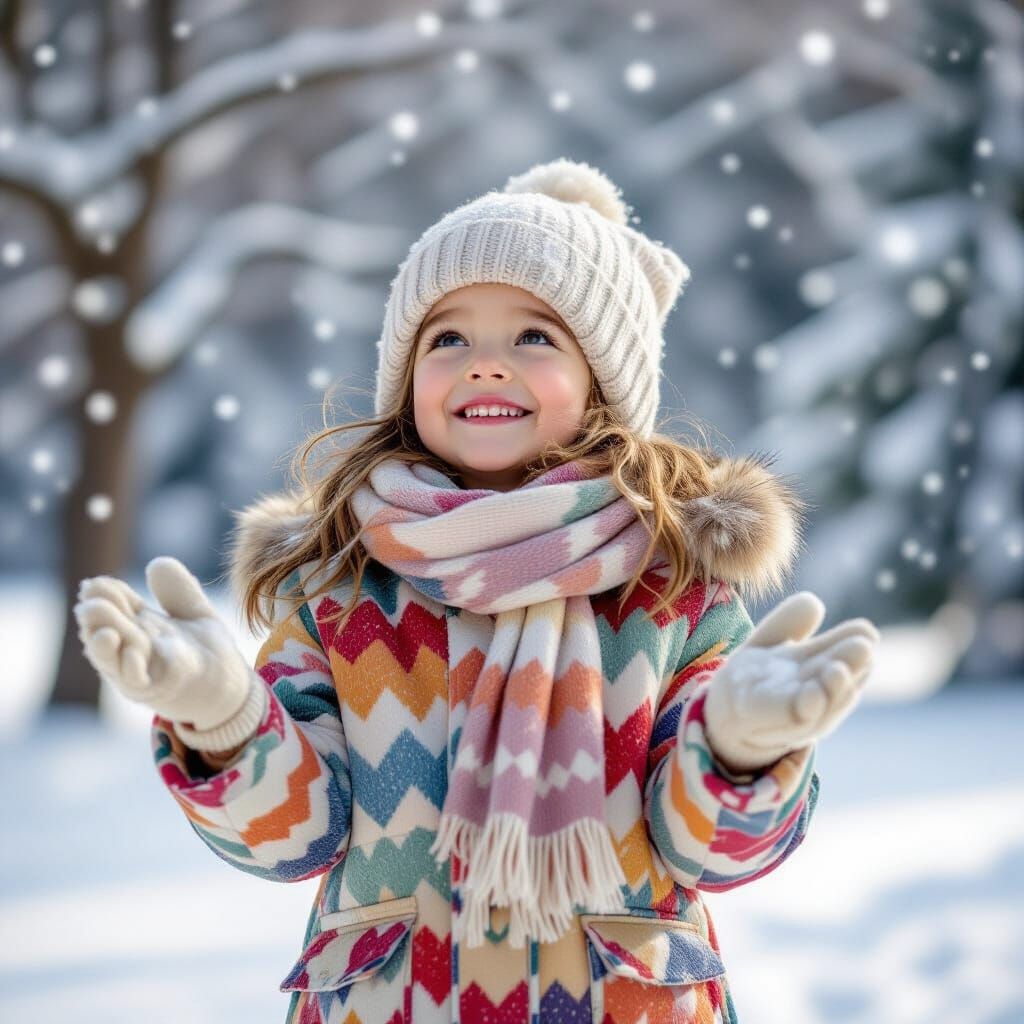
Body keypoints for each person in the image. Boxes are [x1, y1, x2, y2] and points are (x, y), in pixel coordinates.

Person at [74, 158, 879, 1024]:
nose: (485, 364)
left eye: (535, 337)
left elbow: (707, 849)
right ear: (405, 378)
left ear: (607, 383)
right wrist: (225, 719)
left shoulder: (669, 593)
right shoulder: (347, 594)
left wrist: (739, 749)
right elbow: (294, 840)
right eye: (447, 338)